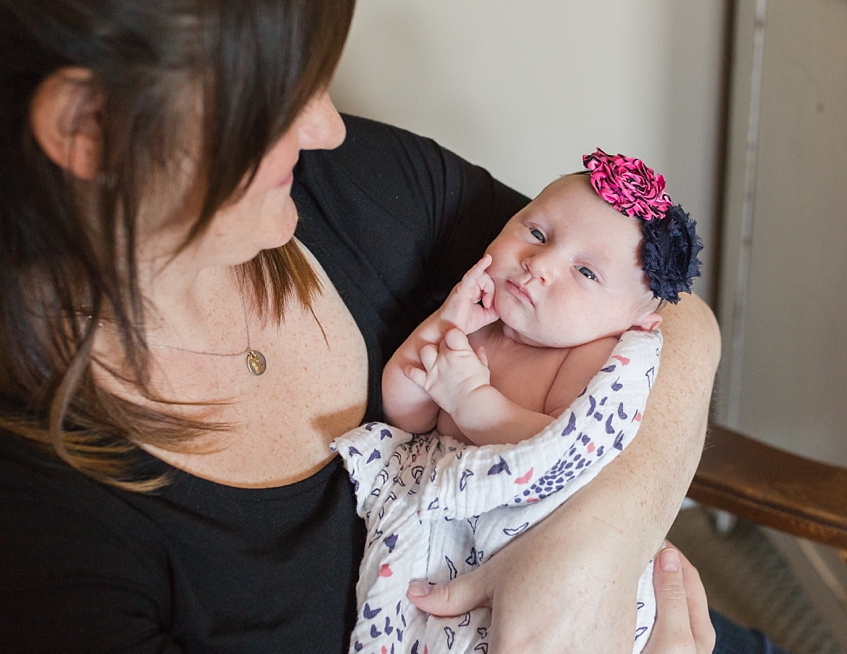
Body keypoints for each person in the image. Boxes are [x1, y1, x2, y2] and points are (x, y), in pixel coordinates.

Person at [0, 1, 734, 652]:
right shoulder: (45, 537)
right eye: (278, 93)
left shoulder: (350, 185)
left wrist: (597, 549)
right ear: (88, 127)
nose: (327, 125)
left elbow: (673, 314)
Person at [334, 154, 702, 652]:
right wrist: (444, 327)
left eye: (587, 273)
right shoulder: (481, 321)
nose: (541, 265)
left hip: (537, 554)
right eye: (537, 234)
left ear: (633, 324)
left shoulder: (591, 356)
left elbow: (561, 456)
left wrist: (472, 400)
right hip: (449, 536)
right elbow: (407, 412)